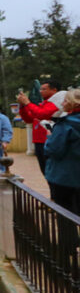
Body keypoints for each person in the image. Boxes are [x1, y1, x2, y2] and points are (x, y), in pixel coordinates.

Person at [43, 88, 80, 216]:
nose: (63, 104)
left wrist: (49, 138)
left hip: (65, 176)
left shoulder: (65, 125)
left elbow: (54, 150)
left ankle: (69, 237)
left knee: (65, 215)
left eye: (65, 101)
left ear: (73, 104)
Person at [17, 79, 65, 174]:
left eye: (44, 89)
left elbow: (42, 114)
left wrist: (28, 103)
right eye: (40, 89)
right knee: (45, 170)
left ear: (54, 90)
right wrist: (22, 106)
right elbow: (29, 119)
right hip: (39, 140)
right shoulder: (44, 103)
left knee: (52, 171)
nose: (40, 91)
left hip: (49, 140)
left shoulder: (57, 101)